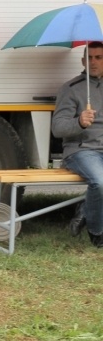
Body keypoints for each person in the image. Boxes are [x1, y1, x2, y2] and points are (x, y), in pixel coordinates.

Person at [51, 41, 103, 247]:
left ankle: (84, 208)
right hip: (82, 151)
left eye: (99, 58)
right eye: (89, 58)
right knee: (100, 183)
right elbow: (58, 128)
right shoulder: (71, 89)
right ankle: (97, 233)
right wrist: (79, 122)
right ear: (82, 61)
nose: (93, 62)